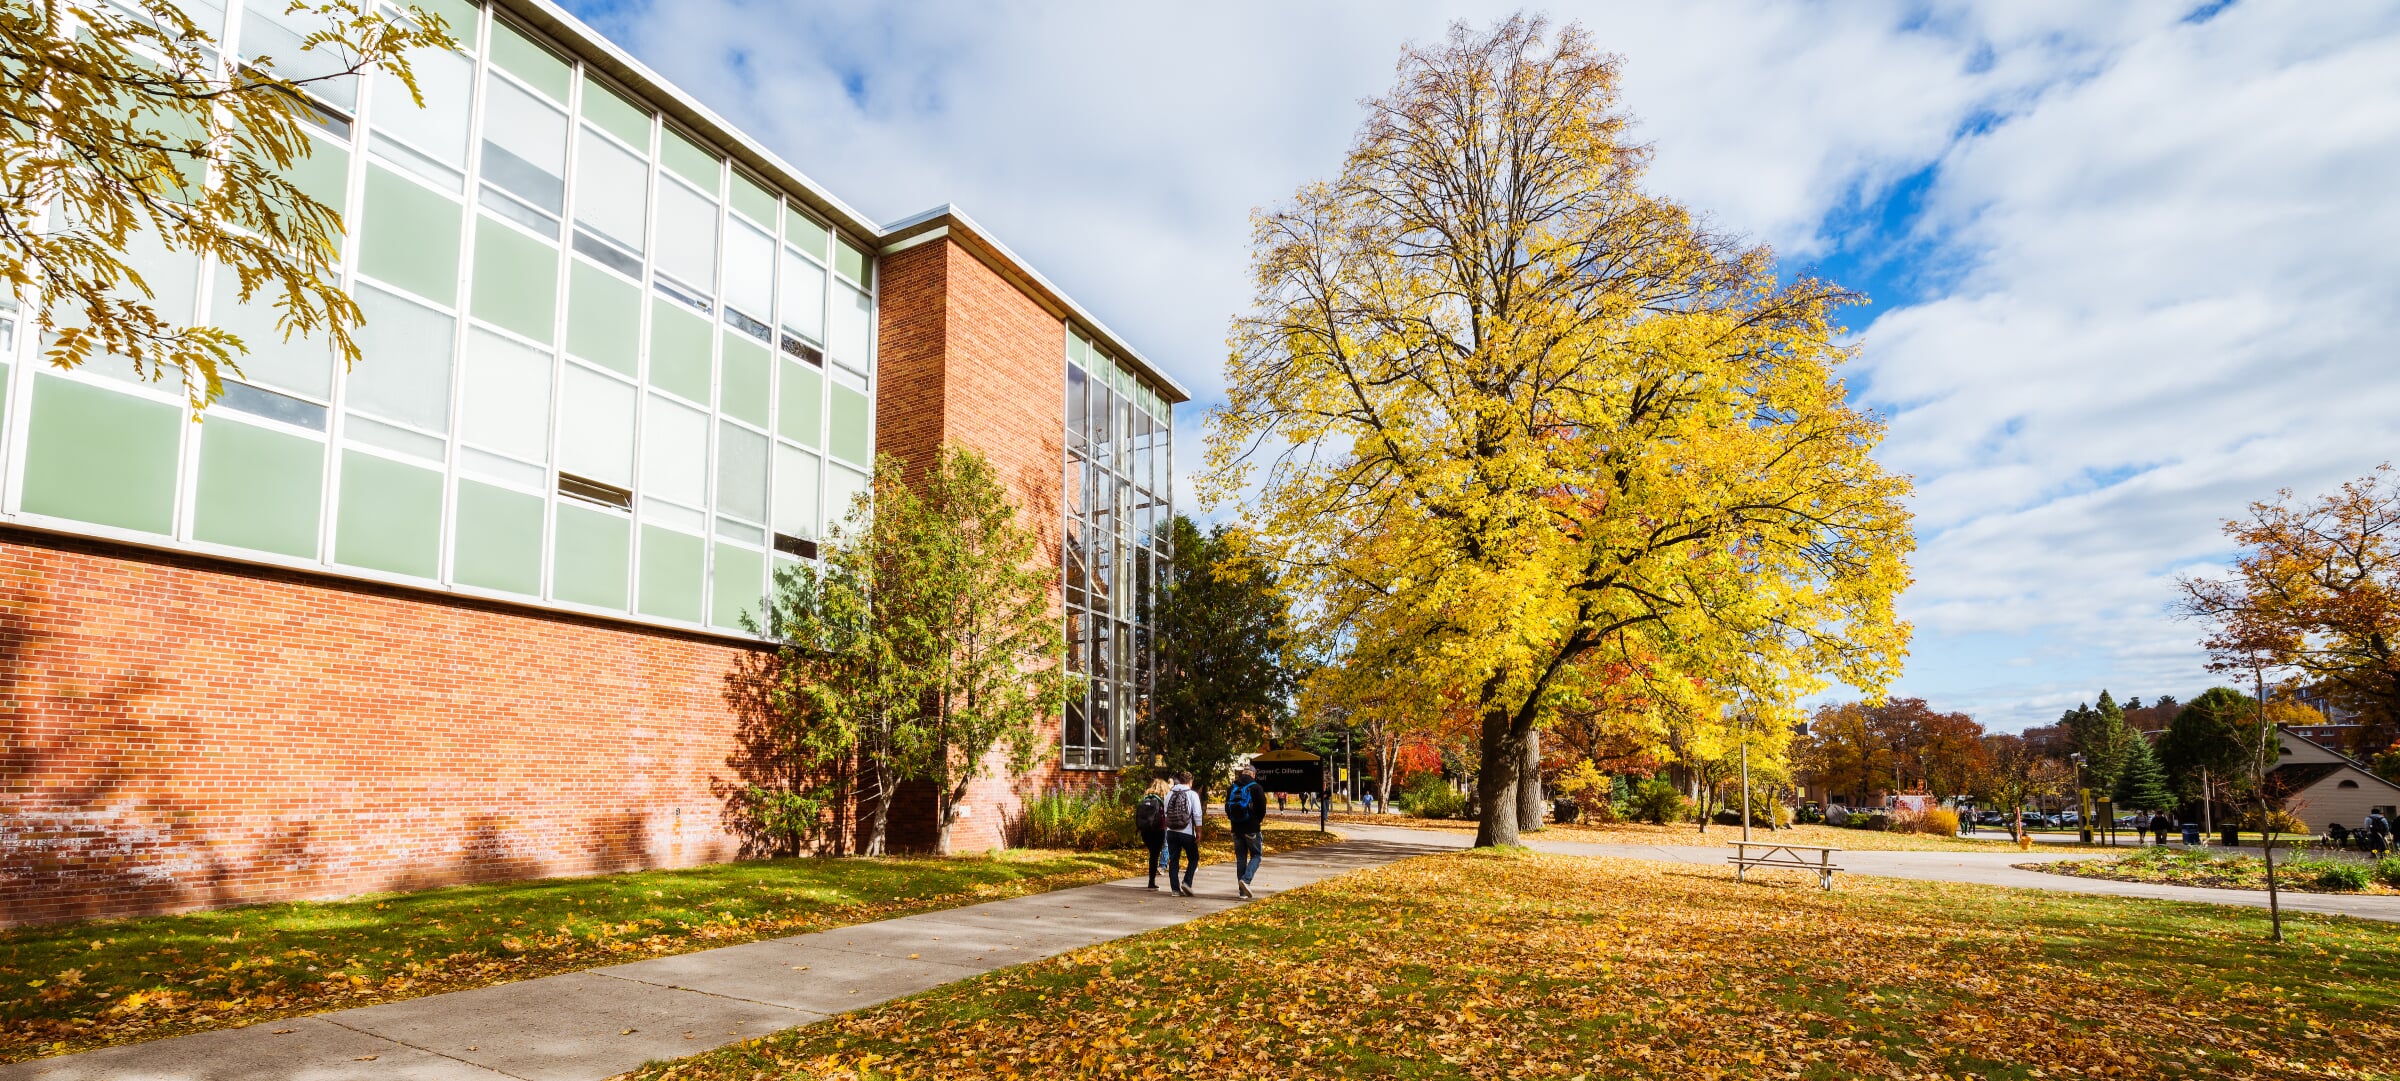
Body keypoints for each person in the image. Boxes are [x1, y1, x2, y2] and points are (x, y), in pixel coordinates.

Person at [1225, 764, 1268, 899]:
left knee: (1241, 859)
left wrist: (1233, 820)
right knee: (1256, 855)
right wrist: (1257, 821)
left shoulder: (1232, 787)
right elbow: (1262, 809)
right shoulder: (1256, 787)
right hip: (1251, 828)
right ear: (1253, 774)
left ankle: (1242, 893)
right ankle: (1246, 880)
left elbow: (1227, 807)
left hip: (1236, 828)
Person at [1163, 771, 1203, 896]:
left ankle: (1175, 890)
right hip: (1186, 831)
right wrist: (1199, 831)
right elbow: (1197, 814)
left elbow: (1165, 812)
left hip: (1171, 832)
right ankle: (1187, 882)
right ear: (1190, 782)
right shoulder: (1192, 794)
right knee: (1194, 857)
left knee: (1174, 859)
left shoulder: (1170, 793)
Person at [1135, 779, 1170, 890]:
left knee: (1152, 854)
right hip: (1157, 830)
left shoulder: (1146, 798)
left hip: (1145, 830)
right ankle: (1151, 882)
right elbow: (1165, 816)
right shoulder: (1162, 800)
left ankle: (1152, 881)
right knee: (1154, 855)